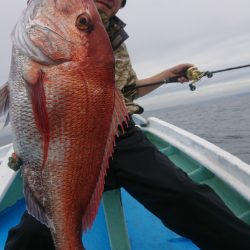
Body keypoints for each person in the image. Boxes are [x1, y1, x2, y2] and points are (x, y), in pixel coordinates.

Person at [5, 0, 250, 249]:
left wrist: (167, 75)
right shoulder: (60, 20)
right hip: (65, 142)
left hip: (122, 136)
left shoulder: (114, 41)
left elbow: (129, 90)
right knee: (31, 233)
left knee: (183, 194)